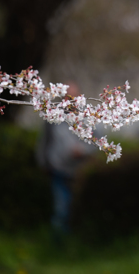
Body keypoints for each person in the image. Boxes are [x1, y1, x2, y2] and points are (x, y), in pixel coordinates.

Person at [35, 82, 99, 236]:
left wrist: (84, 151)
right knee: (61, 210)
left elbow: (99, 142)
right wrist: (43, 163)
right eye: (67, 97)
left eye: (74, 97)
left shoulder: (89, 117)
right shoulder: (54, 116)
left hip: (81, 171)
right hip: (59, 171)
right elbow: (44, 142)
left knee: (80, 209)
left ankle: (78, 242)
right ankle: (59, 245)